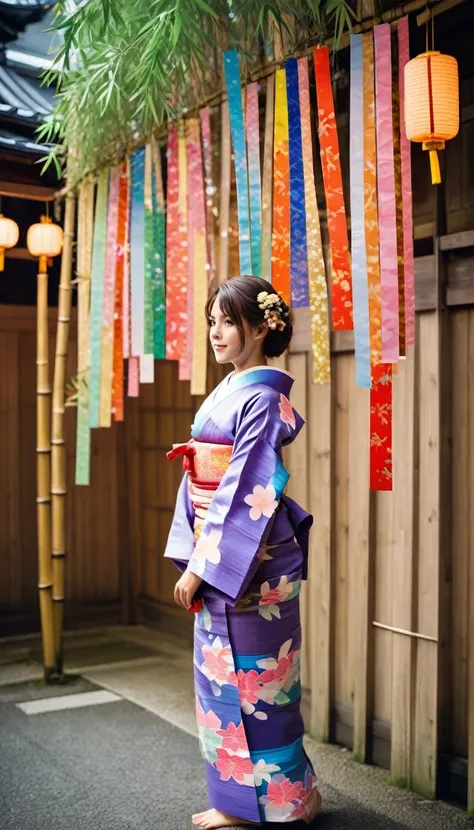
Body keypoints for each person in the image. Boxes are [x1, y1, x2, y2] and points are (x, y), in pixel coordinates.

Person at [164, 275, 321, 829]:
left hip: (252, 563)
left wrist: (206, 565)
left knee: (261, 687)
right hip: (237, 558)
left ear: (261, 328)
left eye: (228, 321)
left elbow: (245, 484)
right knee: (227, 683)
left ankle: (279, 806)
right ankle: (268, 801)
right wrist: (194, 553)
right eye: (212, 320)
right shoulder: (234, 390)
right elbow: (205, 475)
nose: (216, 332)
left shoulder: (261, 397)